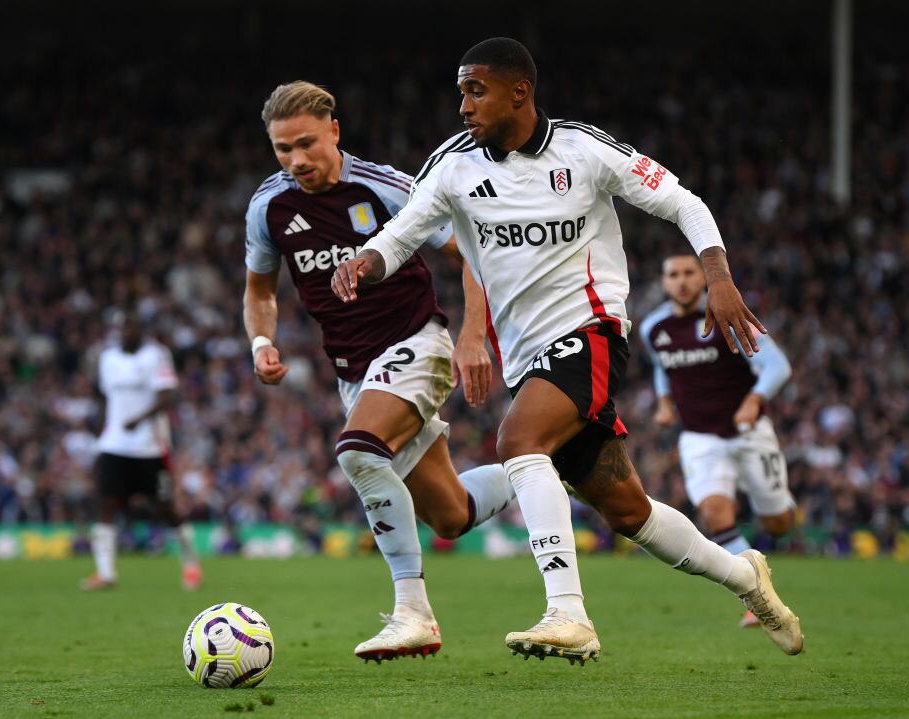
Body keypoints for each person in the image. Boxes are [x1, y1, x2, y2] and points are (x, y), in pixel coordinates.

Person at [331, 37, 803, 664]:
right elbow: (404, 231)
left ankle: (569, 614)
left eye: (477, 90)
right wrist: (366, 261)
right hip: (528, 356)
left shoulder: (584, 150)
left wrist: (718, 277)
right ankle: (748, 580)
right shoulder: (451, 165)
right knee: (627, 509)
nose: (464, 104)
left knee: (518, 441)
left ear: (519, 91)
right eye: (460, 92)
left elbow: (683, 201)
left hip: (593, 331)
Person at [244, 81, 516, 662]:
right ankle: (547, 470)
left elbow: (471, 249)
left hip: (417, 340)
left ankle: (412, 613)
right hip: (355, 373)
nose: (296, 160)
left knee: (360, 451)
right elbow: (259, 289)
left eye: (307, 144)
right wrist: (261, 338)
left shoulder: (385, 187)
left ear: (335, 131)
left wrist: (472, 335)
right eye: (283, 149)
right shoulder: (269, 206)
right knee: (451, 515)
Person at [641, 254, 795, 628]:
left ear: (704, 277)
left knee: (779, 522)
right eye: (673, 274)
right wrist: (664, 402)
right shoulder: (653, 328)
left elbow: (777, 366)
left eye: (689, 273)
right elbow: (664, 368)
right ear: (664, 283)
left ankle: (776, 520)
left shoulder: (727, 315)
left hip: (749, 433)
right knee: (713, 512)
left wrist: (754, 400)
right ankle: (757, 596)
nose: (681, 281)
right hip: (699, 437)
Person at [82, 310, 202, 591]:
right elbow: (104, 396)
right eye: (125, 327)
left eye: (134, 328)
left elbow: (167, 396)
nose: (129, 333)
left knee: (164, 508)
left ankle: (191, 564)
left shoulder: (156, 355)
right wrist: (104, 426)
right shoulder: (108, 358)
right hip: (114, 444)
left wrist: (139, 418)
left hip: (150, 446)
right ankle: (106, 573)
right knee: (106, 504)